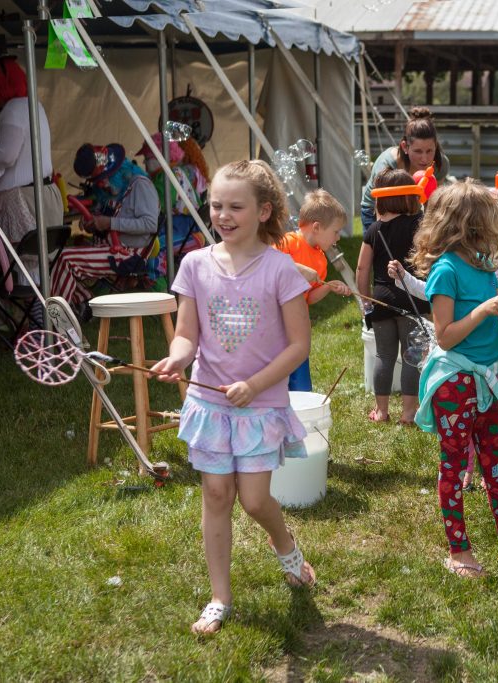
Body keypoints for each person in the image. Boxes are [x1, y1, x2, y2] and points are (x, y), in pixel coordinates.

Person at [149, 160, 315, 635]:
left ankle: (285, 546)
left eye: (235, 206)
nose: (222, 214)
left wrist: (256, 385)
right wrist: (177, 360)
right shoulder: (195, 265)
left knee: (255, 501)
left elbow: (299, 345)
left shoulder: (281, 270)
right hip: (212, 404)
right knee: (217, 494)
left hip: (259, 404)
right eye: (216, 204)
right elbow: (186, 335)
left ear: (264, 211)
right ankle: (220, 597)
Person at [410, 179, 498, 579]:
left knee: (497, 469)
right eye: (492, 223)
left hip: (487, 381)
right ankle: (458, 550)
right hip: (456, 382)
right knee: (453, 467)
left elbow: (497, 320)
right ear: (468, 226)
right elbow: (446, 335)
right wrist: (485, 310)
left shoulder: (484, 267)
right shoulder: (446, 271)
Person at [356, 169, 430, 424]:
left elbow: (362, 268)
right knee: (412, 355)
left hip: (382, 299)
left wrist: (366, 300)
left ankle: (382, 411)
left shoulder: (374, 230)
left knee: (384, 356)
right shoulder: (420, 226)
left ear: (381, 199)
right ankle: (409, 413)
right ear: (410, 197)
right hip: (412, 298)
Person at [50, 144, 159, 312]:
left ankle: (58, 319)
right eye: (98, 181)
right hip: (111, 248)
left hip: (128, 254)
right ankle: (84, 304)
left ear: (118, 169)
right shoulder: (117, 190)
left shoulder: (140, 185)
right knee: (54, 257)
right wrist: (93, 224)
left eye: (105, 178)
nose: (102, 184)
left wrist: (109, 223)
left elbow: (150, 225)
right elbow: (110, 220)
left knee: (64, 259)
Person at [0, 56, 63, 247]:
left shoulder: (13, 110)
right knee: (40, 262)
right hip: (42, 194)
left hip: (25, 200)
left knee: (26, 262)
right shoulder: (33, 105)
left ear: (2, 84)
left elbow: (6, 155)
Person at [276, 189, 352, 391]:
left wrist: (327, 288)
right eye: (335, 232)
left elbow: (309, 298)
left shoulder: (320, 260)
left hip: (298, 326)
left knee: (300, 381)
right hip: (274, 324)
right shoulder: (288, 243)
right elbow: (268, 262)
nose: (337, 238)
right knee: (276, 379)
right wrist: (300, 269)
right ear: (317, 227)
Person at [360, 107, 449, 232]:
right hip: (375, 210)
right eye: (418, 151)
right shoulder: (387, 164)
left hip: (412, 209)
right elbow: (381, 207)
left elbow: (432, 203)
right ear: (405, 146)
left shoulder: (440, 164)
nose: (424, 158)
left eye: (429, 151)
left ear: (436, 146)